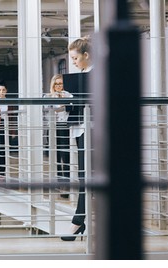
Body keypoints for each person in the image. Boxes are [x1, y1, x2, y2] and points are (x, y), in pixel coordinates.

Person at [61, 37, 92, 241]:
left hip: (93, 130)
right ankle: (79, 220)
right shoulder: (82, 75)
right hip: (82, 129)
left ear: (86, 55)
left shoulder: (96, 75)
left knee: (87, 176)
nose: (73, 62)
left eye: (75, 58)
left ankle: (78, 220)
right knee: (85, 176)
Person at [43, 74, 72, 197]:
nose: (59, 86)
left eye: (61, 84)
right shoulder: (48, 96)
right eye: (57, 84)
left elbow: (71, 107)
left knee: (65, 156)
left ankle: (66, 185)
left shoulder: (68, 94)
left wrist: (63, 105)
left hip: (64, 127)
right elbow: (46, 110)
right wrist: (60, 107)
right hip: (53, 128)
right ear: (53, 85)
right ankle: (57, 183)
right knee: (55, 156)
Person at [0, 81, 15, 181]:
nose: (1, 92)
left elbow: (12, 117)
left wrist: (13, 132)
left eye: (3, 90)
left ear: (6, 91)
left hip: (6, 125)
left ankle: (3, 171)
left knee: (5, 149)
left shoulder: (9, 102)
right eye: (0, 90)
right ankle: (0, 171)